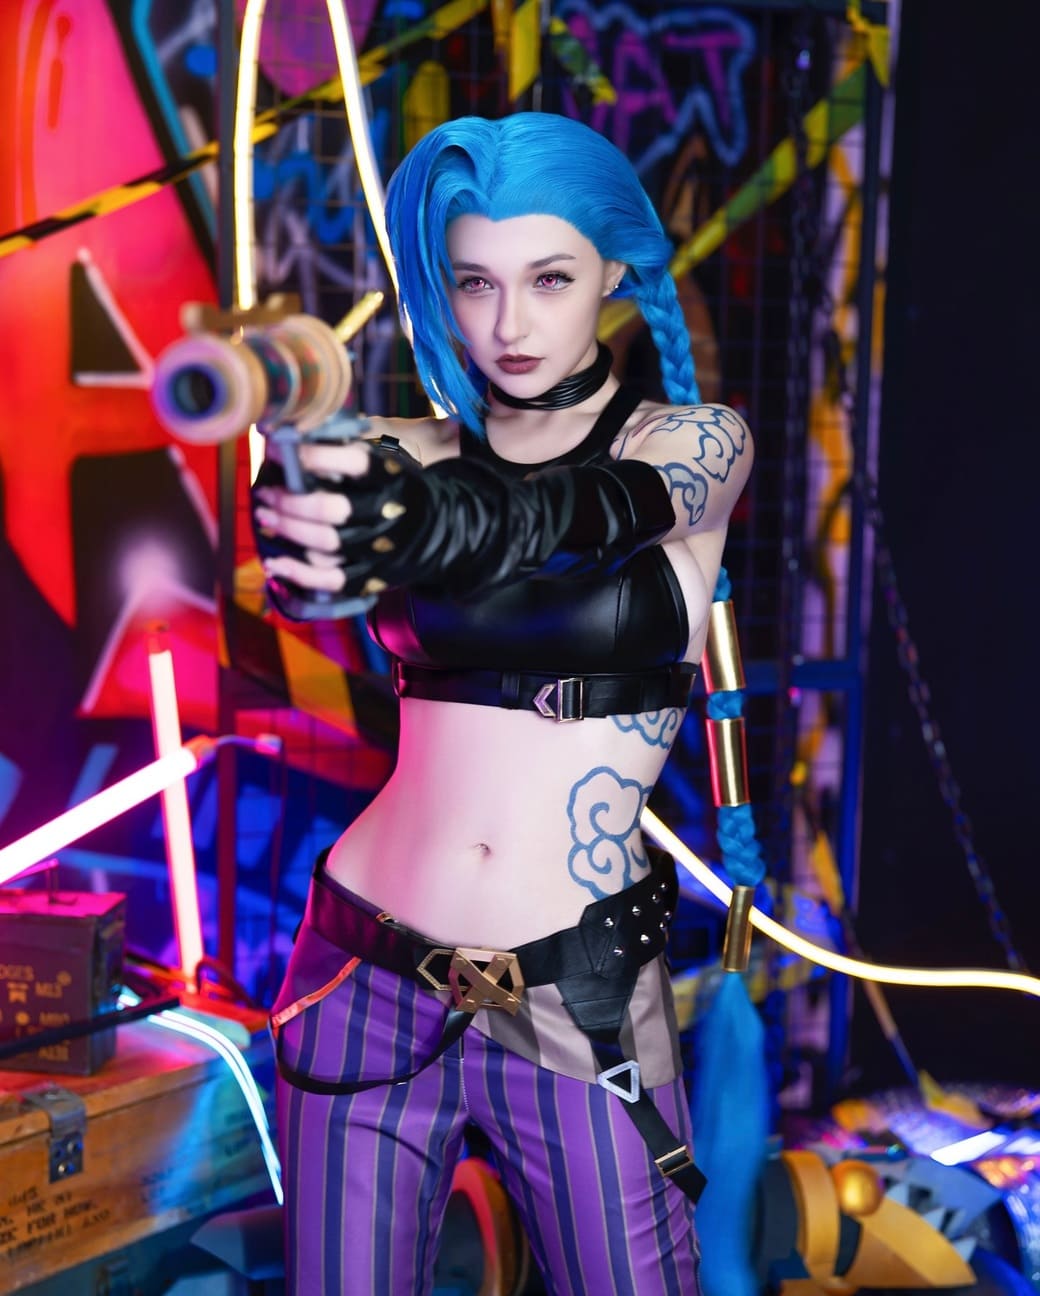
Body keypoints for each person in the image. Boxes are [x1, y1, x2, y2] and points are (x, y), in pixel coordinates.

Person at [252, 112, 753, 1295]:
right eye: (474, 281)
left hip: (580, 996)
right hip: (362, 974)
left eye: (548, 278)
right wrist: (305, 511)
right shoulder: (398, 451)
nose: (508, 324)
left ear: (614, 271)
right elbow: (303, 566)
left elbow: (592, 510)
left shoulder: (695, 444)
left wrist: (437, 524)